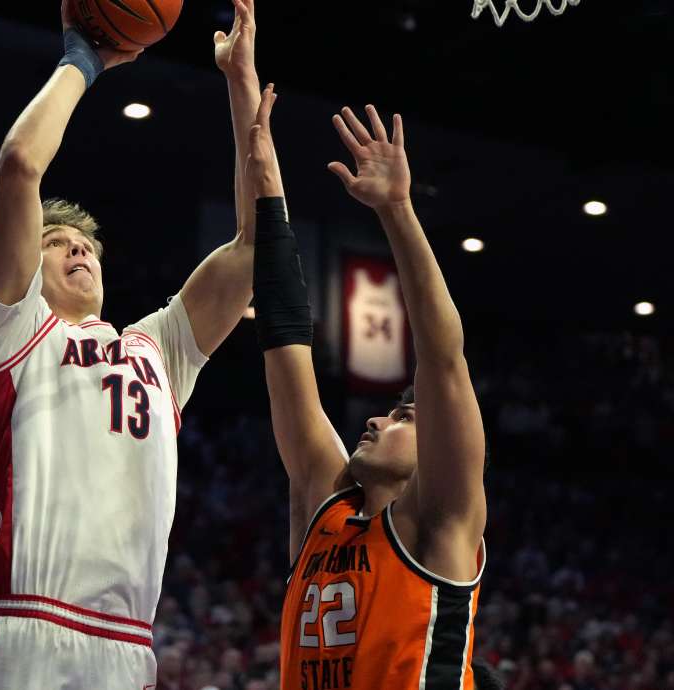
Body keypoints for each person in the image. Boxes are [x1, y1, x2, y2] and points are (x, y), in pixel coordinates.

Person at [0, 1, 265, 689]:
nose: (78, 250)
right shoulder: (15, 332)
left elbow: (258, 243)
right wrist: (83, 60)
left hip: (126, 649)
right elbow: (21, 164)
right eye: (57, 243)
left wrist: (240, 80)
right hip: (24, 632)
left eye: (85, 243)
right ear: (30, 263)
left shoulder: (159, 349)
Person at [246, 92, 489, 687]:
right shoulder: (323, 512)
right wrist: (265, 175)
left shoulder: (442, 522)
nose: (378, 421)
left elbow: (443, 358)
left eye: (404, 416)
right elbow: (283, 339)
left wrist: (398, 212)